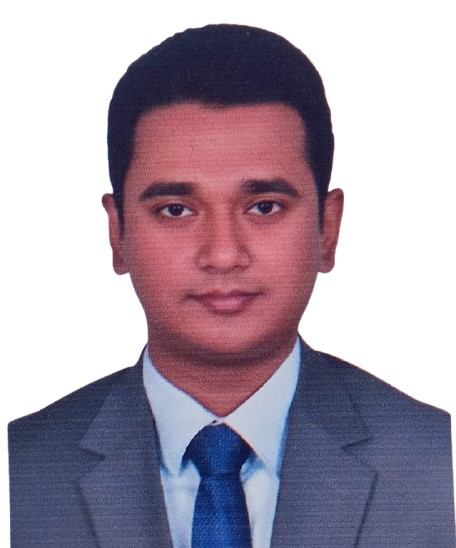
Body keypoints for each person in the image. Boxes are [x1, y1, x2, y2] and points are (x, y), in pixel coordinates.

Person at [8, 24, 454, 547]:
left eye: (264, 207)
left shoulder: (437, 463)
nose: (222, 254)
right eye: (176, 210)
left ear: (327, 230)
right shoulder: (22, 469)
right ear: (118, 234)